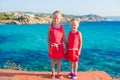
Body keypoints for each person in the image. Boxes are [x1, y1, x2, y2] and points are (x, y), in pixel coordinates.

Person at [47, 10, 67, 79]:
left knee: (59, 60)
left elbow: (63, 37)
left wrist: (66, 46)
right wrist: (48, 48)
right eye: (54, 18)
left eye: (57, 18)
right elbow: (48, 39)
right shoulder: (50, 27)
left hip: (60, 46)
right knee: (52, 60)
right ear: (52, 18)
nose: (56, 19)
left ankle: (58, 72)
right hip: (52, 46)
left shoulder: (62, 28)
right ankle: (53, 72)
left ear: (60, 19)